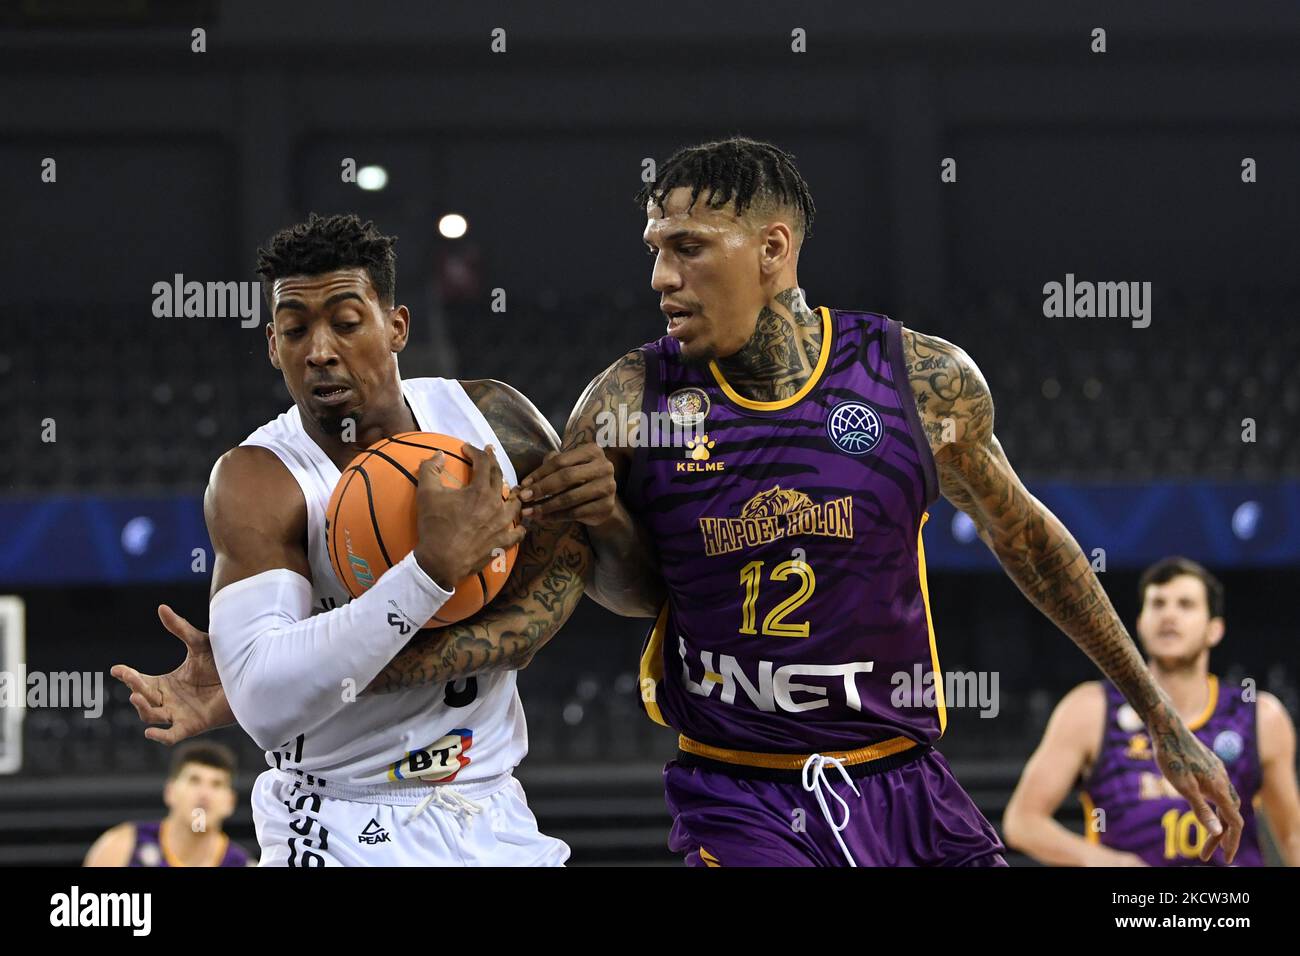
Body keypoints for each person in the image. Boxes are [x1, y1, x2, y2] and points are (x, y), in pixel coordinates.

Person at [519, 136, 1244, 866]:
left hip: (905, 786)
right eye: (655, 249)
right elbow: (631, 592)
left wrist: (1160, 715)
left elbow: (1030, 544)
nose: (660, 277)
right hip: (741, 795)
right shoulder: (629, 399)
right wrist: (604, 520)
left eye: (687, 248)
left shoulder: (918, 380)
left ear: (772, 248)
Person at [113, 213, 592, 866]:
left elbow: (581, 589)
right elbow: (267, 706)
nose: (319, 350)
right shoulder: (259, 479)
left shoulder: (491, 421)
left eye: (345, 322)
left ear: (396, 326)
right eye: (294, 330)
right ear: (271, 345)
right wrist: (427, 572)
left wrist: (610, 514)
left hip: (489, 808)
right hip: (336, 818)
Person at [1003, 556, 1300, 865]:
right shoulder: (1090, 709)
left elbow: (1292, 836)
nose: (1168, 615)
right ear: (1140, 624)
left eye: (1185, 605)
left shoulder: (1259, 715)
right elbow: (1022, 822)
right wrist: (1108, 861)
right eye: (1157, 604)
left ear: (1214, 629)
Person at [84, 742, 252, 867]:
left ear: (230, 802)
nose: (204, 794)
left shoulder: (243, 863)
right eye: (194, 780)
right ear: (170, 792)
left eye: (216, 784)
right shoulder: (121, 846)